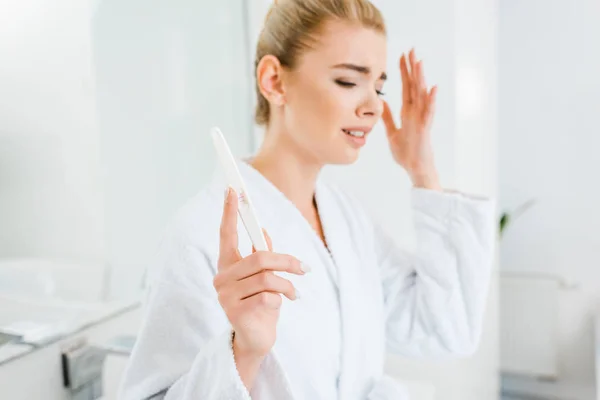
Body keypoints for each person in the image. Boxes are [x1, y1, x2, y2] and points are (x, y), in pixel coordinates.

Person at [118, 0, 496, 399]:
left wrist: (423, 172)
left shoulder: (346, 218)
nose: (373, 106)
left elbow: (441, 330)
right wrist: (242, 351)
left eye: (379, 86)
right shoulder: (198, 234)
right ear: (275, 81)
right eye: (349, 82)